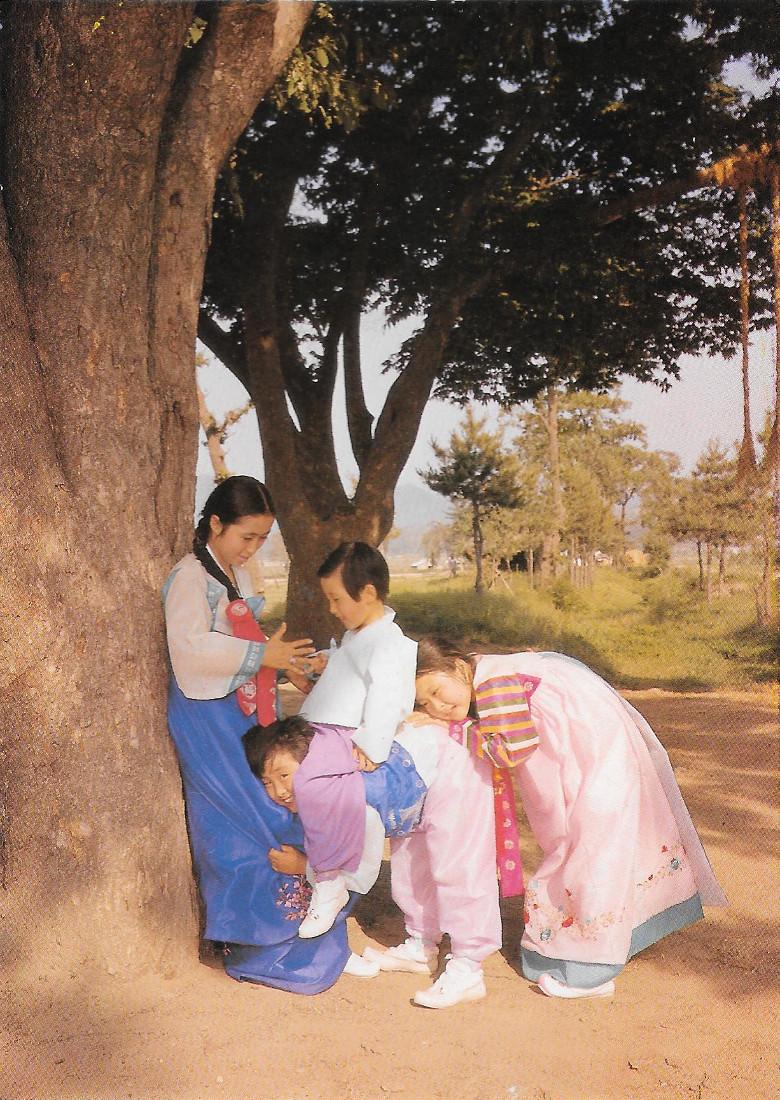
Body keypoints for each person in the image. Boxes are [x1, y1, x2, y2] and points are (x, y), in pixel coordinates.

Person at [413, 637, 728, 1000]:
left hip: (590, 757)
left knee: (588, 849)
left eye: (437, 690)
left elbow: (509, 751)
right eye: (426, 703)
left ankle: (589, 972)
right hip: (593, 748)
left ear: (455, 665)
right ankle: (605, 944)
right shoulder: (493, 666)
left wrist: (451, 729)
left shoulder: (492, 684)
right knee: (601, 843)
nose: (438, 705)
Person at [162, 475, 357, 994]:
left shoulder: (234, 572)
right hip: (206, 714)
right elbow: (190, 650)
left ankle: (294, 917)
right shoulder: (189, 578)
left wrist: (279, 665)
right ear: (216, 523)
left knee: (275, 801)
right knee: (241, 816)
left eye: (261, 539)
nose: (252, 548)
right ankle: (250, 936)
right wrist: (260, 657)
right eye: (245, 537)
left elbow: (243, 640)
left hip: (244, 708)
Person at [242, 713, 449, 975]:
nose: (279, 791)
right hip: (413, 797)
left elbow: (360, 873)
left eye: (284, 775)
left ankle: (464, 959)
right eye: (267, 783)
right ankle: (421, 948)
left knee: (444, 872)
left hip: (442, 782)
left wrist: (303, 866)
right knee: (410, 875)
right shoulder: (327, 788)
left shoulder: (349, 805)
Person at [291, 542, 418, 939]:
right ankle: (313, 878)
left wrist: (371, 744)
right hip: (322, 731)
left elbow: (388, 697)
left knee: (321, 795)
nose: (332, 609)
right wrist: (324, 665)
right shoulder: (359, 636)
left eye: (336, 599)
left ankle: (329, 884)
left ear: (366, 593)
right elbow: (351, 674)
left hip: (342, 737)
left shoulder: (388, 642)